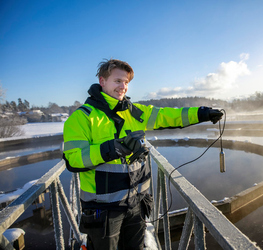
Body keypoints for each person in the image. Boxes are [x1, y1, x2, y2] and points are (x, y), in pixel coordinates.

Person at [63, 59, 223, 250]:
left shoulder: (135, 112)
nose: (123, 87)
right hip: (104, 208)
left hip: (136, 204)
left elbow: (169, 115)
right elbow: (74, 159)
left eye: (126, 83)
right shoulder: (82, 118)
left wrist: (202, 113)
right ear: (102, 81)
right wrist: (114, 148)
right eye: (117, 81)